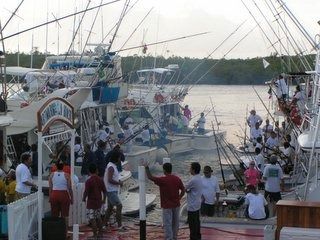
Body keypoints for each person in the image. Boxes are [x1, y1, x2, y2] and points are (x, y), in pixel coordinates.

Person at [145, 162, 185, 240]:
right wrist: (179, 198)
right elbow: (183, 190)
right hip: (176, 204)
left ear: (164, 170)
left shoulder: (162, 180)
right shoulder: (177, 179)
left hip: (167, 206)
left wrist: (146, 167)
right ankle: (174, 237)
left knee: (167, 223)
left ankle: (169, 238)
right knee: (176, 222)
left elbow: (150, 177)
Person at [48, 160, 73, 234]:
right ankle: (65, 233)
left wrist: (50, 197)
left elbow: (50, 188)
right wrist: (72, 198)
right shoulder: (67, 175)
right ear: (63, 166)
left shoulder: (52, 175)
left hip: (54, 194)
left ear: (56, 166)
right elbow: (69, 188)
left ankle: (55, 232)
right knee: (65, 215)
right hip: (64, 194)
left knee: (54, 215)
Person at [83, 163, 107, 239]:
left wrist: (83, 198)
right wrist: (104, 199)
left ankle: (95, 235)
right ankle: (100, 234)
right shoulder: (100, 179)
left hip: (91, 202)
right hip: (98, 201)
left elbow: (86, 192)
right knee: (98, 217)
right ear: (96, 170)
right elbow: (105, 191)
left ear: (89, 171)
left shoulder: (89, 181)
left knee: (92, 218)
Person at [104, 151, 124, 230]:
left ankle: (104, 224)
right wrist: (119, 183)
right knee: (119, 205)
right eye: (119, 157)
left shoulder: (112, 166)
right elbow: (109, 179)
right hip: (111, 190)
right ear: (117, 158)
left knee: (110, 208)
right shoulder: (111, 167)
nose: (120, 159)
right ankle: (120, 226)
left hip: (112, 190)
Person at [185, 162, 203, 240]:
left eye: (190, 168)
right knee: (197, 222)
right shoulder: (200, 178)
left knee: (192, 224)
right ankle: (198, 237)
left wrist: (187, 191)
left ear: (193, 169)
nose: (189, 170)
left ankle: (193, 238)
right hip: (197, 203)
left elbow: (185, 187)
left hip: (192, 204)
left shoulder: (193, 180)